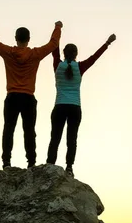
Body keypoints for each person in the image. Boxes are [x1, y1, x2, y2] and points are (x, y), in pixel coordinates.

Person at [0, 15, 63, 169]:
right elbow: (53, 44)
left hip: (12, 97)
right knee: (29, 130)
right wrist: (58, 27)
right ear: (29, 39)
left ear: (16, 38)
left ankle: (6, 162)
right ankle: (31, 162)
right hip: (28, 98)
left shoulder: (8, 52)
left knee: (8, 128)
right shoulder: (35, 54)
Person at [46, 33, 116, 177]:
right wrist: (107, 43)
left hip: (59, 106)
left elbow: (54, 50)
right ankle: (69, 167)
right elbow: (94, 57)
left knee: (55, 137)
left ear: (64, 54)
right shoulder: (80, 67)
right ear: (76, 54)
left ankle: (50, 164)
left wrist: (57, 31)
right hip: (75, 108)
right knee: (72, 139)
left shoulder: (58, 65)